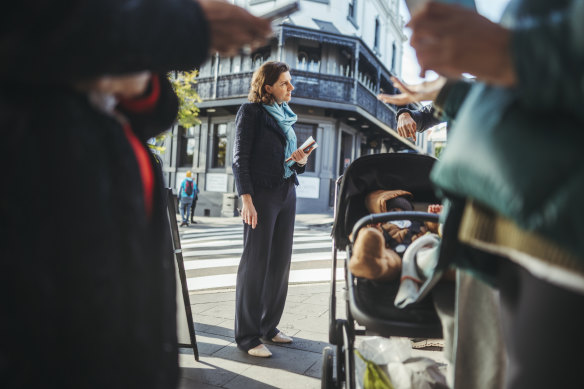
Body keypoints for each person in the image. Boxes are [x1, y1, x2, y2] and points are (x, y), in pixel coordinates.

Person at [0, 1, 272, 387]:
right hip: (42, 209)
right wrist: (182, 25)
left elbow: (154, 109)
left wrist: (139, 80)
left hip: (107, 204)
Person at [395, 1, 584, 388]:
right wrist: (452, 92)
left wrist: (514, 51)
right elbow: (517, 95)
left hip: (562, 236)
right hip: (515, 222)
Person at [232, 61, 315, 358]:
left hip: (286, 192)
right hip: (261, 196)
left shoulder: (285, 116)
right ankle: (247, 335)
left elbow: (284, 162)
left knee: (279, 263)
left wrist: (299, 162)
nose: (291, 87)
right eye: (284, 83)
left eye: (290, 82)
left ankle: (268, 327)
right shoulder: (251, 112)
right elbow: (240, 158)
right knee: (255, 264)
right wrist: (247, 199)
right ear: (267, 87)